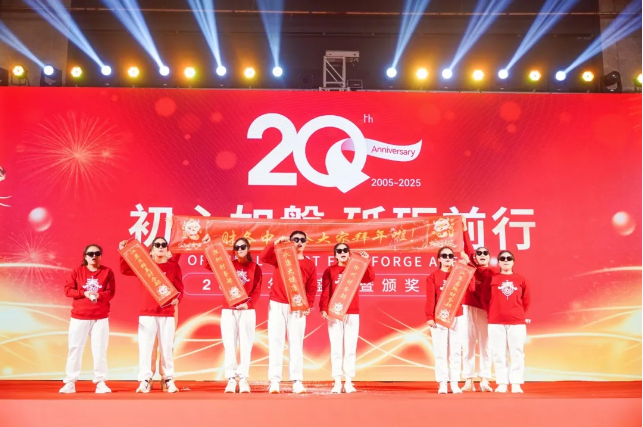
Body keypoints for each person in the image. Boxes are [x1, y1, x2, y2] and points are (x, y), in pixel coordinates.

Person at [119, 237, 184, 393]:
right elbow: (125, 270)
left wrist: (177, 299)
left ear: (167, 249)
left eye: (164, 245)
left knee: (167, 346)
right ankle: (145, 379)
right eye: (157, 245)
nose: (161, 247)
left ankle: (168, 379)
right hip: (147, 312)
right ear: (152, 250)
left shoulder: (173, 266)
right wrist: (122, 252)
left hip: (167, 312)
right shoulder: (145, 266)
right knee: (146, 347)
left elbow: (179, 288)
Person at [260, 231, 317, 394]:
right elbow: (264, 257)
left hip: (297, 307)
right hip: (277, 303)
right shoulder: (282, 257)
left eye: (302, 240)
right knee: (275, 342)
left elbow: (312, 287)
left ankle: (297, 380)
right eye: (295, 239)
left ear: (306, 243)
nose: (299, 242)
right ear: (291, 241)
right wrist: (275, 243)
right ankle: (274, 380)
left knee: (296, 343)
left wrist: (308, 304)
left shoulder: (310, 264)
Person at [204, 238, 262, 393]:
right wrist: (207, 245)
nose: (240, 249)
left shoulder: (255, 267)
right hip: (229, 309)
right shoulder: (227, 265)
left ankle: (243, 378)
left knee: (246, 344)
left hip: (246, 310)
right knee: (229, 344)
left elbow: (257, 290)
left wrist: (248, 304)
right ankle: (231, 378)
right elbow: (209, 264)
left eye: (243, 247)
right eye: (237, 247)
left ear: (248, 248)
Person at [59, 244, 115, 394]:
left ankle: (101, 382)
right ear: (85, 256)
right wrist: (83, 293)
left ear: (101, 256)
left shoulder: (107, 272)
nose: (93, 256)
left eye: (97, 253)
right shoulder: (77, 271)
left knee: (100, 350)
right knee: (75, 348)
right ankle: (70, 382)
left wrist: (98, 295)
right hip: (79, 317)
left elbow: (110, 292)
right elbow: (67, 290)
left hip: (100, 317)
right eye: (90, 254)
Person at [319, 243, 374, 394]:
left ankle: (349, 381)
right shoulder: (330, 270)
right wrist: (323, 308)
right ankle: (337, 381)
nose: (342, 253)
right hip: (334, 312)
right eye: (339, 251)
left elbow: (369, 278)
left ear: (349, 253)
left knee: (350, 347)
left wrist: (367, 261)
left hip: (352, 311)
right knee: (336, 347)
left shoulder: (355, 269)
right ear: (335, 255)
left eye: (345, 250)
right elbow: (325, 291)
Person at [480, 250, 531, 393]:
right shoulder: (491, 279)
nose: (506, 260)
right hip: (495, 322)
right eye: (502, 258)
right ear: (499, 262)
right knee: (498, 353)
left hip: (517, 322)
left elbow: (526, 300)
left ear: (513, 261)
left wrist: (517, 313)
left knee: (517, 352)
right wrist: (492, 312)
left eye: (509, 258)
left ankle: (516, 383)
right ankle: (502, 382)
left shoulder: (521, 279)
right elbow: (484, 299)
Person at [425, 247, 474, 394]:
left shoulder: (459, 274)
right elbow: (430, 299)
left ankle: (454, 383)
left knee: (455, 351)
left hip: (457, 316)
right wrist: (429, 317)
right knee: (440, 351)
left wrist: (467, 265)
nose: (447, 258)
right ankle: (442, 383)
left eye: (450, 255)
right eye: (444, 255)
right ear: (439, 259)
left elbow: (471, 288)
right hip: (439, 317)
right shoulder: (433, 277)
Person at [461, 246, 494, 392]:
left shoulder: (492, 272)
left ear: (489, 257)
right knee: (467, 344)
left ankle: (484, 379)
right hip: (468, 308)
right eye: (478, 253)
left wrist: (469, 263)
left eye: (485, 253)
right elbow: (467, 247)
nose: (482, 255)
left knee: (485, 345)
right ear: (475, 257)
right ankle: (468, 380)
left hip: (485, 311)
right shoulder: (469, 269)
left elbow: (480, 273)